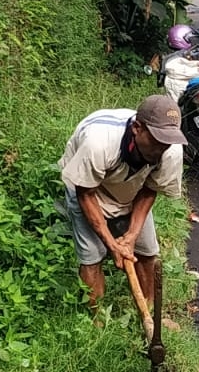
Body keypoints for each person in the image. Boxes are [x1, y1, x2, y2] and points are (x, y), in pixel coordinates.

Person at [60, 94, 185, 308]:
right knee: (92, 257)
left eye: (167, 142)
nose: (161, 149)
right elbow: (85, 193)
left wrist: (132, 235)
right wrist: (112, 244)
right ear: (137, 128)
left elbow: (149, 190)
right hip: (88, 185)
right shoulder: (98, 143)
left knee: (147, 252)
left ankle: (148, 313)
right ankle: (96, 319)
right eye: (156, 141)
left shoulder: (170, 151)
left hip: (132, 188)